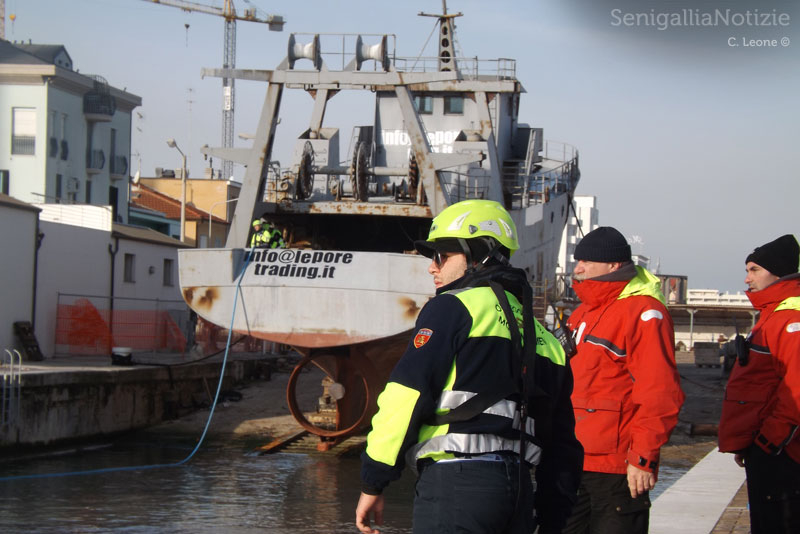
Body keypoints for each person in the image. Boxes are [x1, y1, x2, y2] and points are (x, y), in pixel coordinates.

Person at [355, 199, 583, 534]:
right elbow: (563, 444)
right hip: (517, 492)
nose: (432, 267)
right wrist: (552, 517)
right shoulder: (544, 337)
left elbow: (406, 397)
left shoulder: (452, 308)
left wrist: (373, 480)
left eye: (442, 256)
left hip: (457, 485)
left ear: (479, 255)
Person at [562, 226, 685, 534]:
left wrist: (643, 457)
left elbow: (659, 391)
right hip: (574, 455)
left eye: (587, 261)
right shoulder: (582, 313)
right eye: (578, 261)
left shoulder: (645, 313)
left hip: (616, 465)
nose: (578, 268)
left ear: (614, 265)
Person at [718, 234, 800, 534]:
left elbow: (797, 391)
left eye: (754, 270)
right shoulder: (772, 315)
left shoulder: (790, 319)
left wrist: (769, 442)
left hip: (782, 453)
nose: (747, 278)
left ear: (777, 272)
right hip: (766, 447)